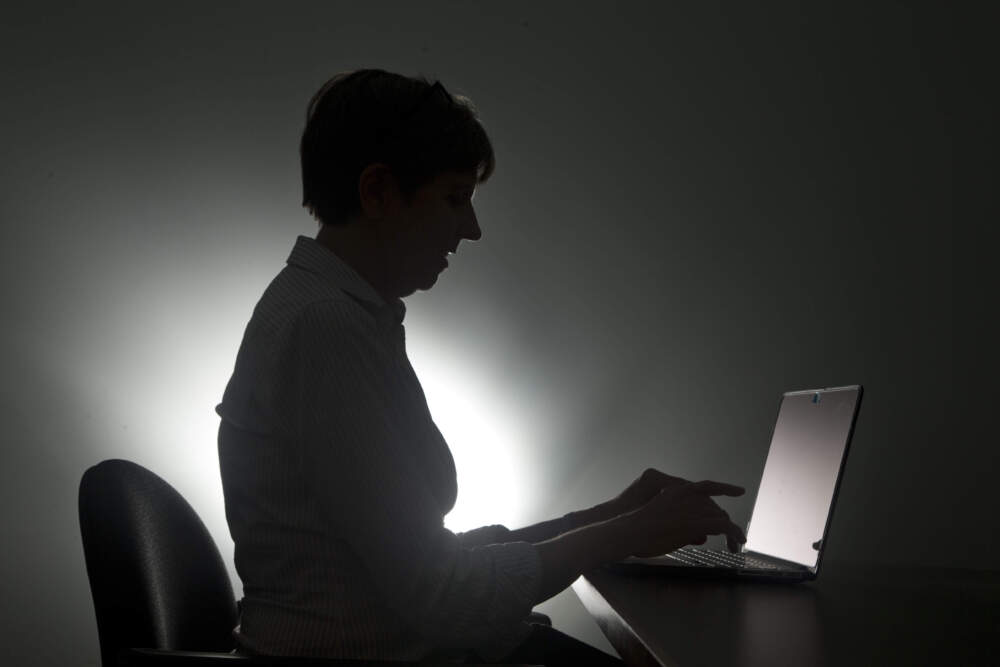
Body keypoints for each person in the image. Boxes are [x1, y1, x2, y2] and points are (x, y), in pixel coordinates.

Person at [215, 68, 747, 665]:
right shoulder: (325, 328)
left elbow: (426, 564)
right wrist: (617, 536)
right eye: (454, 198)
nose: (471, 228)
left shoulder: (339, 314)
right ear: (378, 192)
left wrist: (611, 516)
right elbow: (441, 596)